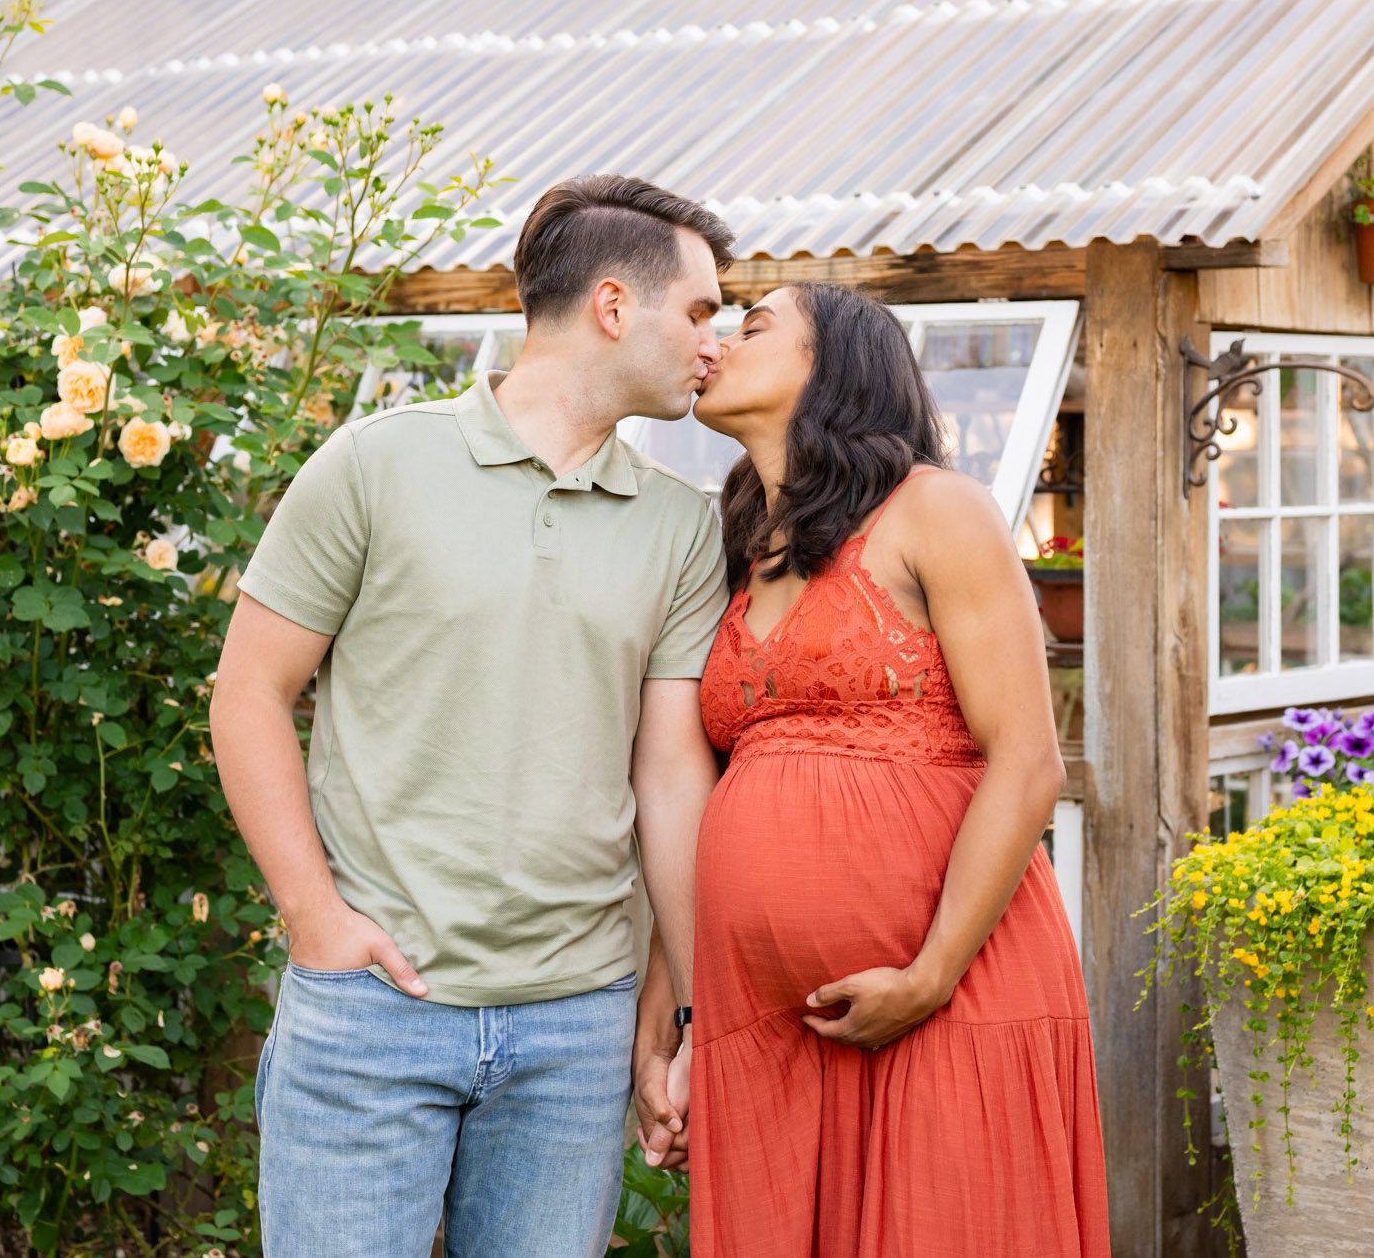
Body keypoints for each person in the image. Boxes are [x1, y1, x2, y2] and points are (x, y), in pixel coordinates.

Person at [208, 176, 734, 1258]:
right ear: (612, 304)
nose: (713, 342)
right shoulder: (373, 463)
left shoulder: (683, 529)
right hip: (370, 1006)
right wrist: (314, 917)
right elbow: (248, 691)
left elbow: (673, 781)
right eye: (700, 309)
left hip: (575, 1023)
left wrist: (688, 1016)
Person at [631, 282, 1111, 1258]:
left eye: (753, 326)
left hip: (947, 988)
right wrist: (676, 1010)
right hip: (762, 1026)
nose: (717, 342)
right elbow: (702, 804)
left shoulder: (937, 511)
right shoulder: (731, 548)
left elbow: (1025, 763)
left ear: (831, 365)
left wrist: (928, 975)